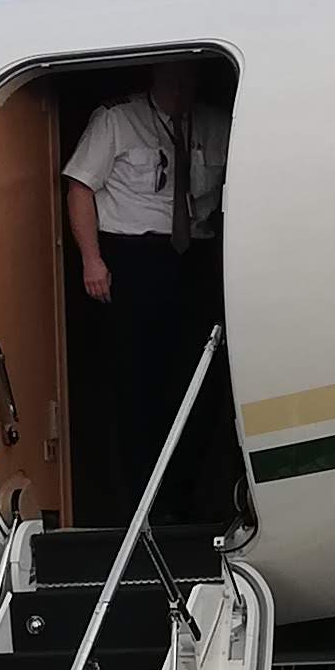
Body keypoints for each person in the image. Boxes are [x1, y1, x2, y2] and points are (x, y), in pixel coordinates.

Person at [64, 60, 228, 522]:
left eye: (187, 78)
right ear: (156, 76)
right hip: (133, 258)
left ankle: (185, 499)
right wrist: (91, 260)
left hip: (195, 258)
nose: (180, 87)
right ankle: (141, 505)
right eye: (172, 78)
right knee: (137, 383)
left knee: (199, 382)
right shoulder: (117, 119)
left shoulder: (217, 123)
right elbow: (79, 187)